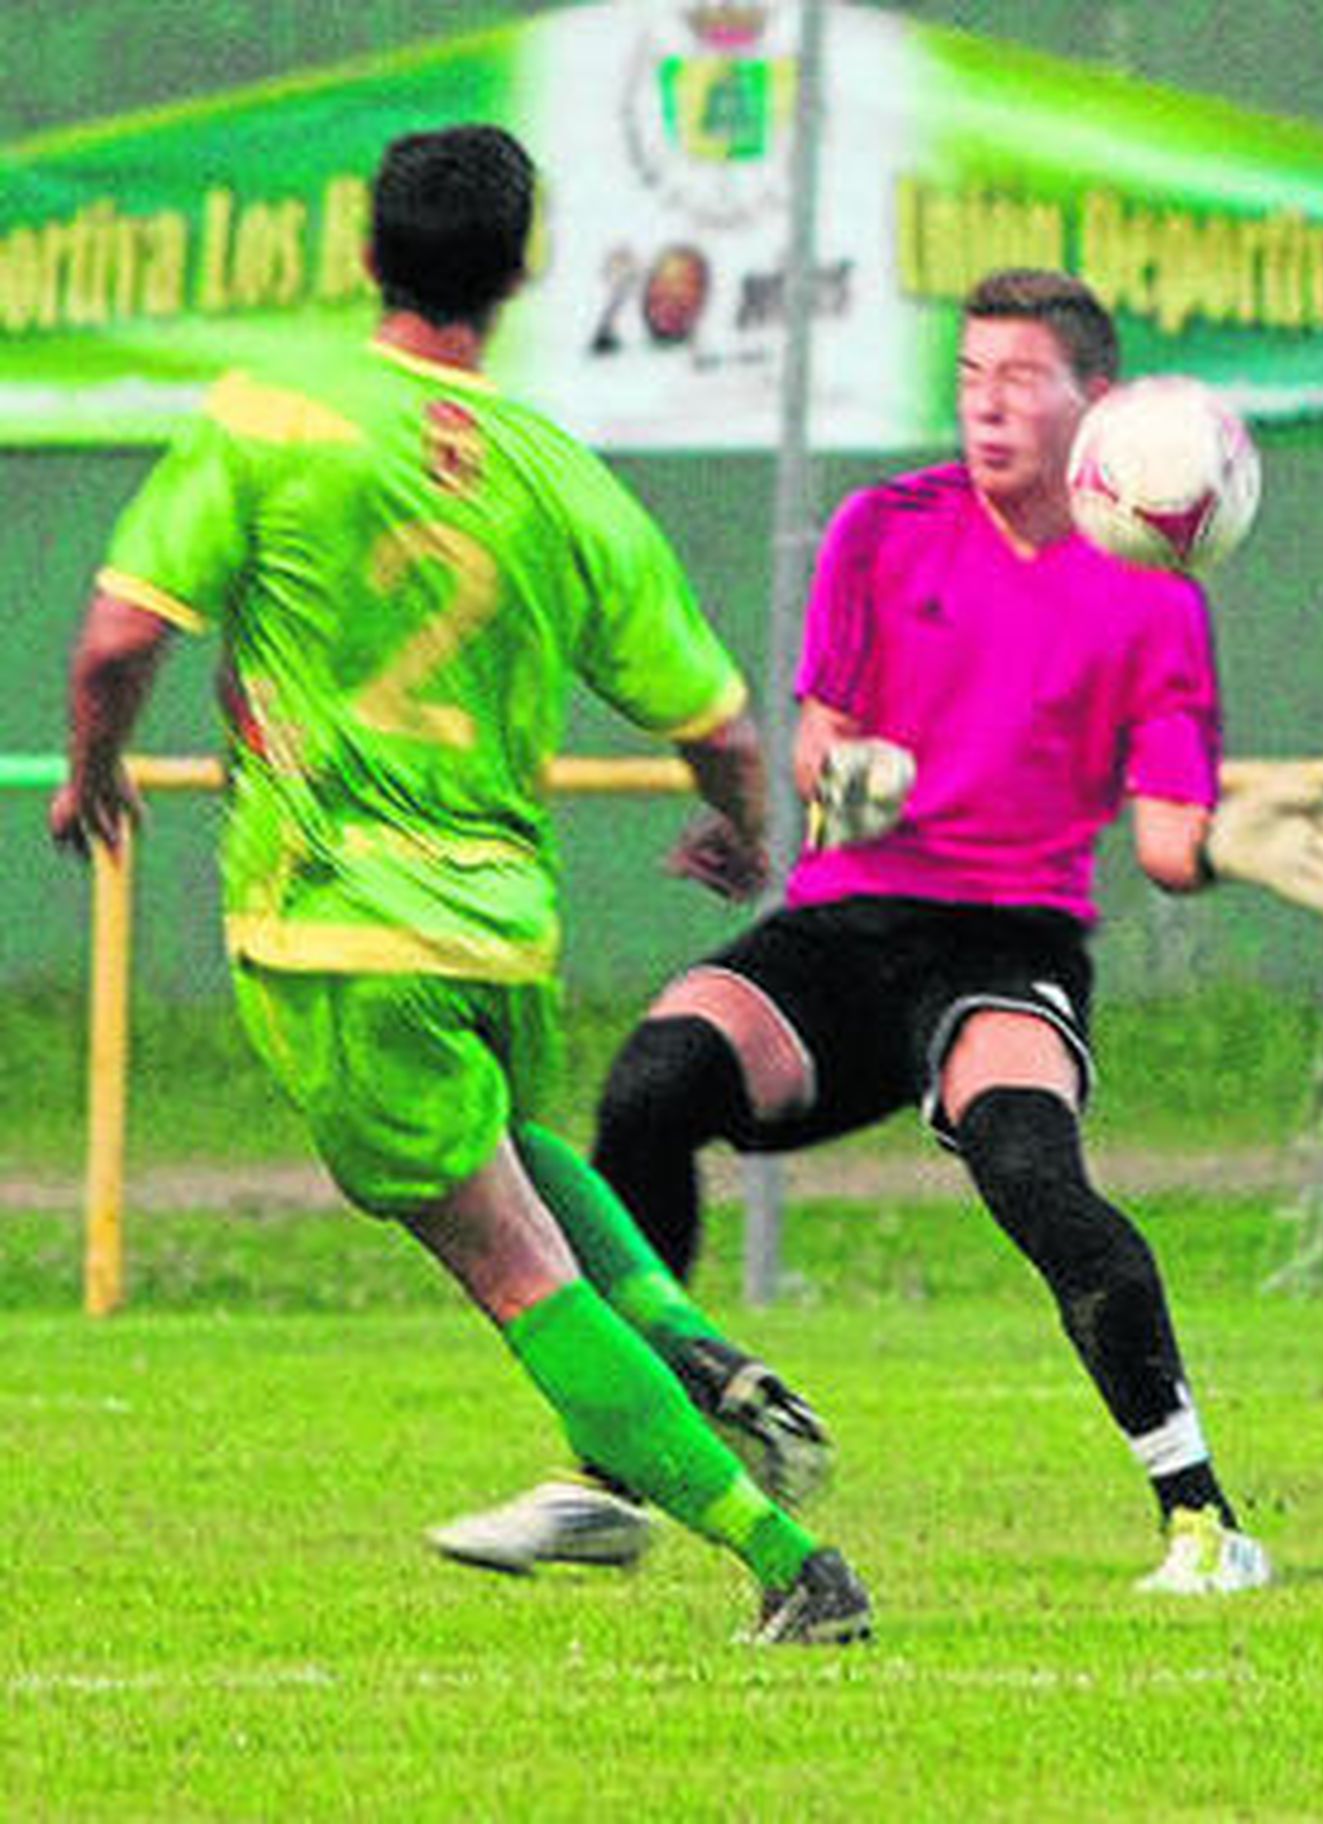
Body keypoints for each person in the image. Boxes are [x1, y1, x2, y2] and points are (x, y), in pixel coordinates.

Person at [50, 124, 870, 1646]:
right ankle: (694, 1348)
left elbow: (116, 639)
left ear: (369, 254)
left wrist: (95, 767)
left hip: (340, 922)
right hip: (500, 935)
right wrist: (741, 834)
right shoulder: (559, 473)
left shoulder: (275, 416)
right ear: (520, 274)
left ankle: (784, 1561)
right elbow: (721, 723)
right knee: (517, 1163)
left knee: (510, 1271)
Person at [439, 267, 1323, 1594]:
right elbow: (822, 739)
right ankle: (631, 1470)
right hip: (846, 930)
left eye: (1020, 380)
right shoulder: (885, 530)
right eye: (970, 379)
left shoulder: (1154, 593)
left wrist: (1231, 839)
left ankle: (1204, 1522)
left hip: (1005, 950)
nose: (988, 407)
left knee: (1029, 1169)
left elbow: (1167, 843)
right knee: (652, 1087)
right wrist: (845, 772)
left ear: (1094, 403)